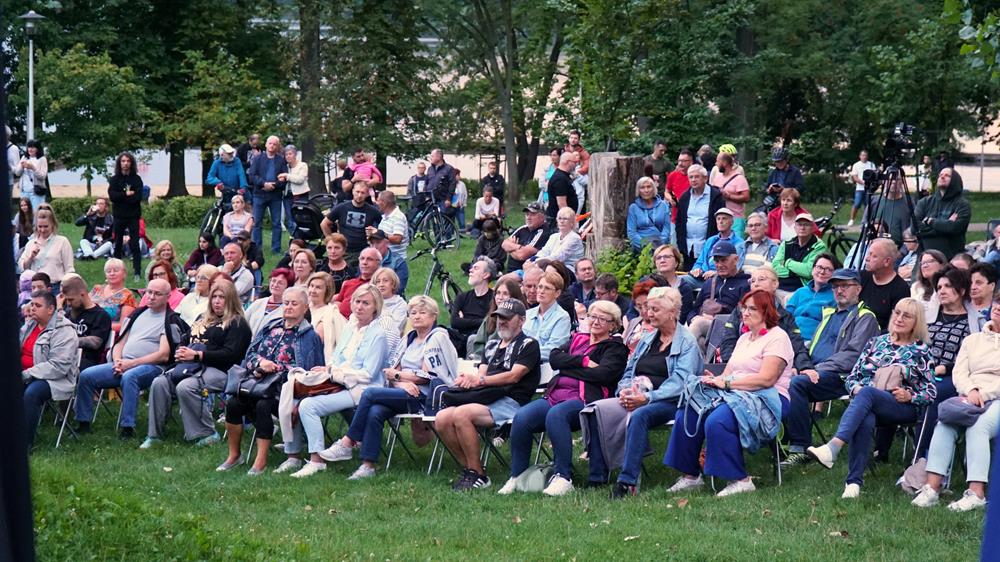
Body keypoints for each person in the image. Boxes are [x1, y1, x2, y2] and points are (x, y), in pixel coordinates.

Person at [664, 289, 794, 497]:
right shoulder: (744, 339)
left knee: (717, 420)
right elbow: (728, 373)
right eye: (744, 308)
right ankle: (691, 475)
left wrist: (726, 384)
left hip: (767, 396)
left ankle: (740, 479)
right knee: (687, 412)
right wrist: (713, 380)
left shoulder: (778, 337)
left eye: (752, 308)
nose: (746, 312)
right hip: (735, 392)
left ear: (767, 311)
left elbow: (767, 379)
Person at [318, 296, 459, 479]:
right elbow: (391, 372)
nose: (417, 316)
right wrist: (401, 381)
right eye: (413, 313)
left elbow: (427, 376)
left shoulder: (437, 338)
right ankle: (367, 466)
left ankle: (348, 441)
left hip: (426, 397)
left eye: (423, 313)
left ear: (434, 316)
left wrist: (399, 376)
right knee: (375, 411)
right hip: (403, 391)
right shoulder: (409, 338)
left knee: (369, 394)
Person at [807, 298, 936, 499]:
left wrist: (910, 395)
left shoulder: (921, 350)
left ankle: (834, 447)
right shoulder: (877, 342)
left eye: (907, 315)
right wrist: (857, 388)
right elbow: (852, 377)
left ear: (917, 321)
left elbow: (931, 391)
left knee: (867, 396)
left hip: (901, 406)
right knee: (865, 415)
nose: (899, 318)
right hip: (868, 401)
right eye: (897, 312)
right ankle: (853, 484)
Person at [500, 300, 629, 496]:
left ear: (613, 325)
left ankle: (563, 476)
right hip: (554, 395)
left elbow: (603, 375)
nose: (595, 322)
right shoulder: (578, 339)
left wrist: (568, 368)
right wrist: (583, 361)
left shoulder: (615, 348)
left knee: (556, 415)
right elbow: (554, 357)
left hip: (586, 399)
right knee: (522, 417)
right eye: (592, 316)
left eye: (603, 319)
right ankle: (517, 476)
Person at [583, 287, 702, 496]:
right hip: (637, 395)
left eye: (655, 309)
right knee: (594, 409)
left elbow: (680, 383)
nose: (649, 314)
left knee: (639, 415)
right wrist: (624, 390)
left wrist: (646, 398)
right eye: (649, 309)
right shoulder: (648, 338)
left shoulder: (687, 342)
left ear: (672, 312)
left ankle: (627, 481)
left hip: (672, 400)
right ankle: (597, 476)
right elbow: (629, 369)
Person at [272, 284, 387, 476]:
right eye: (357, 301)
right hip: (337, 382)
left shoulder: (378, 335)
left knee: (308, 405)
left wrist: (335, 373)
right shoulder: (350, 327)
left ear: (375, 307)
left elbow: (368, 374)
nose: (359, 306)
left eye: (366, 303)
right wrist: (328, 369)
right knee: (291, 390)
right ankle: (293, 456)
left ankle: (317, 460)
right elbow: (335, 357)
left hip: (361, 389)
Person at [435, 298, 541, 490]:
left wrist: (480, 380)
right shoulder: (492, 345)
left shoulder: (529, 344)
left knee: (462, 414)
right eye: (499, 317)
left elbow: (514, 377)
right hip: (487, 397)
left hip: (512, 401)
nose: (502, 321)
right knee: (442, 418)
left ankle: (479, 475)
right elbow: (482, 374)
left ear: (522, 320)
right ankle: (470, 469)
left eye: (507, 318)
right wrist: (469, 379)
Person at [217, 286, 324, 475]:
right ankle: (235, 455)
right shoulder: (270, 327)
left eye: (294, 303)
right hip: (257, 382)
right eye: (286, 303)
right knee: (233, 403)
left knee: (263, 405)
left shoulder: (310, 337)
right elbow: (249, 355)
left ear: (305, 307)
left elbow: (312, 373)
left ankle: (260, 461)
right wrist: (261, 362)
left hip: (285, 390)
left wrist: (279, 370)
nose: (289, 307)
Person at [781, 268, 880, 465]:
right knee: (780, 379)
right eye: (835, 287)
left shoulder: (865, 317)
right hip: (816, 370)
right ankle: (780, 443)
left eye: (845, 286)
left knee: (798, 384)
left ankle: (799, 447)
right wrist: (801, 365)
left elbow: (853, 355)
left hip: (845, 376)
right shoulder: (829, 314)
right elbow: (810, 349)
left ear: (858, 289)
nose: (839, 291)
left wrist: (817, 369)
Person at [911, 293, 1000, 512]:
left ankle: (976, 493)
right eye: (998, 302)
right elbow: (959, 372)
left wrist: (984, 394)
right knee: (944, 422)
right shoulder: (973, 340)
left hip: (996, 397)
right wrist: (970, 390)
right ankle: (932, 488)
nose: (998, 307)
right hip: (970, 394)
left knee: (978, 427)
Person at [142, 279, 252, 449]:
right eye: (214, 296)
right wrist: (181, 351)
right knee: (159, 382)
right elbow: (186, 339)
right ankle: (155, 435)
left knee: (187, 386)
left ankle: (206, 433)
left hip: (223, 371)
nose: (216, 301)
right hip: (190, 366)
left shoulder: (237, 323)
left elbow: (231, 354)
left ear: (230, 299)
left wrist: (199, 355)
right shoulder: (202, 318)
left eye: (221, 297)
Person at [74, 279, 185, 439]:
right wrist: (118, 361)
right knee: (86, 375)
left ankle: (127, 427)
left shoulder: (169, 319)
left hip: (153, 367)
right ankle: (83, 423)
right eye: (149, 292)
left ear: (168, 297)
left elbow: (163, 354)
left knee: (130, 377)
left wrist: (130, 364)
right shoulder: (137, 314)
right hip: (123, 363)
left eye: (157, 294)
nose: (151, 296)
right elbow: (120, 342)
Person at [916, 266, 985, 458]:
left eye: (948, 286)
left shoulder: (973, 323)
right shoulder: (928, 317)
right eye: (939, 287)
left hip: (952, 377)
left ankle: (920, 458)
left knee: (932, 394)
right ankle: (881, 451)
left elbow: (973, 358)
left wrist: (944, 368)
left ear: (962, 290)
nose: (942, 291)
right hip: (921, 371)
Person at [717, 266, 813, 373]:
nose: (756, 284)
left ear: (775, 284)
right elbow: (728, 341)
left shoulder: (785, 316)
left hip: (772, 369)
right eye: (752, 281)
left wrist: (805, 368)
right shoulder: (740, 310)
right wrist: (735, 365)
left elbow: (797, 347)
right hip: (738, 368)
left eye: (761, 279)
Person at [21, 290, 79, 448]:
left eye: (37, 305)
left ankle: (25, 446)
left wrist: (26, 374)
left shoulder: (64, 330)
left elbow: (58, 366)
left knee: (31, 393)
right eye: (31, 304)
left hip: (56, 379)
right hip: (27, 374)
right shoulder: (30, 326)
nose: (32, 308)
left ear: (51, 309)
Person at [685, 241, 750, 349]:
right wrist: (693, 318)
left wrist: (715, 318)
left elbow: (743, 314)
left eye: (724, 260)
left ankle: (677, 358)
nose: (719, 265)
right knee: (700, 340)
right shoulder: (709, 283)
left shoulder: (745, 283)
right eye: (716, 261)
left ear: (736, 260)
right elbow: (694, 310)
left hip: (728, 327)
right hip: (703, 325)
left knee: (699, 324)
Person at [675, 164, 726, 269]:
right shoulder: (685, 197)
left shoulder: (715, 197)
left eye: (697, 177)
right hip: (689, 248)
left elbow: (722, 221)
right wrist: (681, 246)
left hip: (709, 246)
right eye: (691, 177)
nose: (693, 180)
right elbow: (679, 222)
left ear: (705, 178)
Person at [914, 167, 970, 260]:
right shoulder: (924, 202)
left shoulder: (962, 204)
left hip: (951, 259)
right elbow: (914, 228)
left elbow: (954, 228)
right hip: (925, 257)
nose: (942, 177)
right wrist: (945, 224)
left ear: (955, 181)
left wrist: (930, 221)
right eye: (940, 175)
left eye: (947, 175)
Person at [59, 276, 111, 371]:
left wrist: (67, 340)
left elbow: (95, 342)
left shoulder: (100, 315)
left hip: (87, 362)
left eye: (71, 299)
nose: (68, 303)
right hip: (64, 358)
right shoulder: (69, 313)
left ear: (82, 294)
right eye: (66, 300)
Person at [247, 135, 289, 254]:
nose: (272, 146)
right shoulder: (257, 158)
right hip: (259, 194)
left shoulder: (281, 160)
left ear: (277, 146)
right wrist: (264, 184)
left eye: (274, 144)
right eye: (270, 143)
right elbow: (252, 176)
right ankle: (257, 249)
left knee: (276, 223)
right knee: (257, 223)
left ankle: (276, 249)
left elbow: (284, 177)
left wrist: (274, 185)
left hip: (275, 196)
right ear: (266, 144)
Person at [18, 209, 74, 295]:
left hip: (55, 287)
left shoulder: (62, 241)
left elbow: (69, 269)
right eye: (40, 227)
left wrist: (65, 288)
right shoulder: (31, 243)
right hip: (35, 288)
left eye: (46, 226)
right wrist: (31, 257)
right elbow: (23, 267)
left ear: (53, 225)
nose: (43, 230)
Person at [860, 238, 912, 330]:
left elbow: (895, 324)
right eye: (869, 254)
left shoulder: (900, 289)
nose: (867, 259)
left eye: (874, 256)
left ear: (887, 261)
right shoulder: (862, 277)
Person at [321, 181, 382, 259]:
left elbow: (383, 228)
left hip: (363, 251)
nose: (359, 195)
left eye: (363, 193)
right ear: (353, 191)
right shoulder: (341, 207)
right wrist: (332, 241)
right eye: (357, 192)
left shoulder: (373, 210)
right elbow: (324, 224)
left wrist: (375, 231)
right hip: (344, 251)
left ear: (367, 194)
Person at [784, 253, 837, 341]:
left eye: (828, 269)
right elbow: (786, 316)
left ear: (834, 274)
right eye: (819, 267)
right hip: (789, 336)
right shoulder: (800, 292)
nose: (822, 272)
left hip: (811, 340)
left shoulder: (835, 297)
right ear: (812, 270)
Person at [108, 152, 145, 280]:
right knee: (117, 243)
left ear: (131, 163)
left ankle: (137, 272)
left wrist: (125, 197)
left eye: (128, 161)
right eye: (123, 161)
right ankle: (116, 271)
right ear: (119, 163)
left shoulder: (136, 179)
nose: (125, 163)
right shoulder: (114, 179)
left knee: (134, 244)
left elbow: (138, 197)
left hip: (133, 216)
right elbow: (113, 196)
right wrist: (126, 195)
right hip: (119, 216)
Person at [469, 277, 524, 361]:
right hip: (485, 360)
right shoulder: (489, 318)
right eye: (498, 293)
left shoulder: (521, 318)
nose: (500, 297)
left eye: (505, 294)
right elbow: (479, 343)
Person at [450, 256, 496, 356]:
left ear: (486, 275)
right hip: (460, 337)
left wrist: (464, 320)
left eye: (476, 268)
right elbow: (454, 322)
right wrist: (481, 320)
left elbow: (490, 323)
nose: (470, 270)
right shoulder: (462, 297)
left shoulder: (494, 298)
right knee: (441, 332)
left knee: (472, 339)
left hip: (480, 338)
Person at [686, 208, 743, 288]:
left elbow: (737, 267)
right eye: (718, 219)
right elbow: (700, 261)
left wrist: (716, 273)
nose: (721, 221)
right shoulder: (711, 240)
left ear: (732, 222)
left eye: (724, 219)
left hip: (721, 279)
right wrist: (696, 269)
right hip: (702, 277)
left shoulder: (739, 243)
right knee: (680, 281)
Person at [772, 212, 828, 294]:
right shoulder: (786, 244)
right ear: (795, 228)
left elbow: (809, 271)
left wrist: (787, 262)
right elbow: (775, 267)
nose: (802, 227)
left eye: (806, 224)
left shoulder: (819, 246)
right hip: (780, 284)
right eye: (799, 224)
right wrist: (798, 271)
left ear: (812, 228)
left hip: (802, 287)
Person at [524, 271, 572, 366]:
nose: (541, 291)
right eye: (540, 286)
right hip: (522, 363)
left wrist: (524, 353)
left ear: (557, 293)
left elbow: (553, 349)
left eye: (547, 288)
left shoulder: (562, 318)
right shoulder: (527, 314)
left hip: (544, 367)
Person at [305, 271, 347, 365]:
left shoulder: (330, 313)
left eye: (318, 287)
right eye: (311, 286)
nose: (313, 290)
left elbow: (315, 343)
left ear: (327, 291)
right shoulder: (303, 307)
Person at [90, 258, 137, 333]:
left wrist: (98, 327)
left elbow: (123, 325)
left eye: (116, 270)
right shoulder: (97, 289)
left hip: (109, 334)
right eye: (108, 271)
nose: (112, 273)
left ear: (124, 273)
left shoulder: (128, 296)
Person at [501, 202, 551, 272]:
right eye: (527, 214)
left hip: (525, 273)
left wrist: (510, 250)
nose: (528, 218)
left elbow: (522, 255)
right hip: (511, 271)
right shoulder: (523, 228)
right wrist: (519, 247)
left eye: (533, 215)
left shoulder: (543, 232)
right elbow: (504, 244)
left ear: (542, 216)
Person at [626, 175, 671, 251]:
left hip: (660, 247)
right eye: (642, 187)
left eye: (648, 187)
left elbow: (666, 228)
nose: (646, 190)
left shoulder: (663, 205)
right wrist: (646, 246)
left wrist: (660, 245)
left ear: (653, 188)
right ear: (638, 190)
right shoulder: (633, 208)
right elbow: (632, 232)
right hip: (641, 249)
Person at [245, 268, 295, 336]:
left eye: (280, 283)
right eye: (273, 281)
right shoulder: (258, 303)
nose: (275, 284)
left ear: (288, 287)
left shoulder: (286, 309)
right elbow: (243, 322)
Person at [652, 244, 696, 321]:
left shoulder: (684, 288)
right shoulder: (646, 283)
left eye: (667, 257)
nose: (662, 260)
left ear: (676, 262)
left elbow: (683, 317)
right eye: (658, 258)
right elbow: (631, 313)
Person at [712, 152, 751, 234]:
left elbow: (746, 197)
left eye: (718, 161)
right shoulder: (717, 178)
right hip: (720, 219)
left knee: (736, 246)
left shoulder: (739, 178)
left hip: (736, 219)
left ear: (725, 163)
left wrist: (729, 196)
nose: (716, 164)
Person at [336, 247, 381, 318]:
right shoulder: (349, 283)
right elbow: (338, 302)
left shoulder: (379, 286)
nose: (364, 262)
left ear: (378, 263)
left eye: (369, 259)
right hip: (339, 320)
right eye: (362, 259)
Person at [535, 206, 584, 271]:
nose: (562, 221)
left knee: (547, 270)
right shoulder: (553, 236)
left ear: (572, 222)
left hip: (570, 269)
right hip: (551, 265)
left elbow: (558, 257)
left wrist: (536, 262)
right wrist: (533, 259)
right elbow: (544, 251)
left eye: (565, 219)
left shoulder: (574, 238)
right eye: (559, 218)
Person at [865, 176, 910, 246]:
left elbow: (912, 233)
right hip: (875, 248)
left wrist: (901, 253)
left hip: (899, 250)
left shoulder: (909, 204)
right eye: (890, 179)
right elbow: (864, 225)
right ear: (884, 181)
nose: (894, 182)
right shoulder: (874, 201)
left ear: (902, 182)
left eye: (897, 179)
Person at [278, 144, 309, 234]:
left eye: (290, 154)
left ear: (295, 155)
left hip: (301, 195)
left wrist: (286, 176)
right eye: (286, 154)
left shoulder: (302, 165)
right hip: (288, 196)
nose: (288, 156)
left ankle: (302, 241)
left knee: (300, 219)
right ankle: (294, 241)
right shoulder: (285, 167)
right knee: (290, 220)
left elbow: (300, 179)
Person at [367, 230, 408, 294]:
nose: (375, 247)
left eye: (378, 242)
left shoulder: (398, 262)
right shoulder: (365, 261)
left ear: (387, 243)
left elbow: (399, 288)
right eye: (372, 243)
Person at [621, 280, 657, 353]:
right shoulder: (634, 322)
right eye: (639, 307)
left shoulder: (662, 325)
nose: (643, 311)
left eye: (646, 306)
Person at [911, 249, 947, 319]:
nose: (924, 266)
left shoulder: (949, 285)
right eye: (922, 263)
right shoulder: (916, 287)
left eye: (930, 261)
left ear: (942, 264)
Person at [373, 190, 409, 261]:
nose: (377, 203)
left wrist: (380, 233)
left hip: (396, 259)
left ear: (384, 203)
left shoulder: (398, 217)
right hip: (386, 258)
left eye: (378, 201)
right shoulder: (384, 217)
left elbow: (397, 239)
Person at [373, 267, 407, 338]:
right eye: (378, 282)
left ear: (393, 284)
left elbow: (394, 328)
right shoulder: (371, 301)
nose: (381, 284)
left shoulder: (400, 304)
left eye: (385, 281)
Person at [546, 152, 579, 226]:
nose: (576, 165)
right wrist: (568, 222)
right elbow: (561, 203)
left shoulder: (564, 176)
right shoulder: (560, 179)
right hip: (558, 222)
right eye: (575, 162)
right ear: (568, 162)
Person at [848, 150, 877, 227]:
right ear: (860, 156)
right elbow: (855, 177)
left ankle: (867, 220)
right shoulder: (856, 165)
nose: (864, 157)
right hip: (860, 188)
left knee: (868, 205)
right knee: (857, 203)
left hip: (869, 189)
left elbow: (874, 175)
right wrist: (864, 183)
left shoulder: (871, 165)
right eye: (863, 155)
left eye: (865, 155)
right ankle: (852, 220)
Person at [17, 139, 48, 210]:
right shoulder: (24, 157)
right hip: (24, 191)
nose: (30, 149)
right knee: (25, 214)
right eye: (29, 147)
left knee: (36, 213)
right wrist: (22, 166)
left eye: (33, 147)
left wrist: (33, 168)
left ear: (37, 149)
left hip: (36, 192)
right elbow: (17, 173)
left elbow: (43, 176)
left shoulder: (42, 159)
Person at [664, 149, 694, 221]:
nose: (680, 163)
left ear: (691, 162)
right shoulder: (673, 175)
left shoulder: (695, 176)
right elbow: (667, 191)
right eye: (679, 161)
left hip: (692, 215)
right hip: (676, 216)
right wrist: (671, 199)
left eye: (684, 161)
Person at [565, 130, 590, 212]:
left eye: (575, 138)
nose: (573, 140)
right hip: (566, 177)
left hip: (578, 177)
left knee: (580, 197)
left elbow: (587, 166)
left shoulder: (584, 152)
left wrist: (578, 172)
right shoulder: (564, 151)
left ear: (578, 140)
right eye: (571, 137)